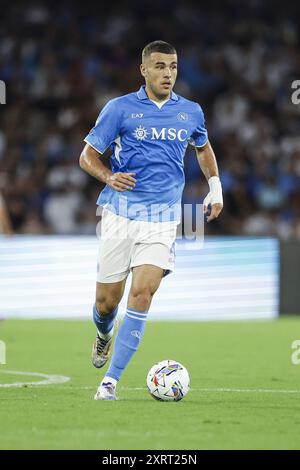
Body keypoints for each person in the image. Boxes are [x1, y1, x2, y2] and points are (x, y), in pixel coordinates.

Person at [79, 40, 223, 400]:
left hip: (162, 219)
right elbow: (87, 156)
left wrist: (215, 187)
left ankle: (110, 382)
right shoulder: (119, 109)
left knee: (142, 294)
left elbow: (202, 147)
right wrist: (109, 176)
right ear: (143, 70)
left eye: (173, 67)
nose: (168, 73)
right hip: (119, 214)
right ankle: (103, 334)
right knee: (105, 304)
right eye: (159, 66)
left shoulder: (190, 112)